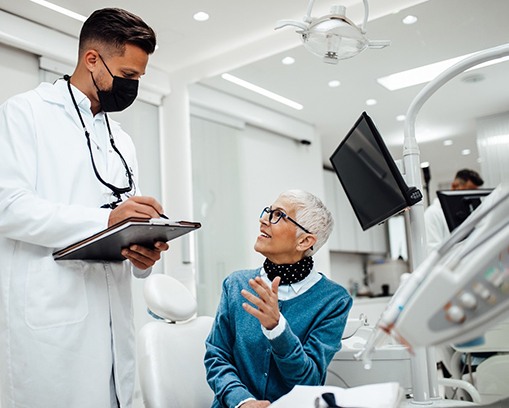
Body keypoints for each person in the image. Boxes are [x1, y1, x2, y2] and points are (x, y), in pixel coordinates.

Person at [0, 8, 169, 408]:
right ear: (91, 59)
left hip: (113, 324)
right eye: (127, 76)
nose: (131, 88)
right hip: (52, 329)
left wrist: (143, 252)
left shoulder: (120, 139)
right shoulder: (26, 113)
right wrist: (105, 220)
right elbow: (8, 207)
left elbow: (127, 216)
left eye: (138, 80)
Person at [205, 190, 352, 408]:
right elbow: (217, 357)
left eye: (278, 215)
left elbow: (309, 381)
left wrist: (277, 328)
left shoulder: (334, 300)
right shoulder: (235, 284)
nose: (263, 219)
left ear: (304, 241)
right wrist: (241, 401)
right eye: (268, 211)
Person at [424, 168, 484, 252]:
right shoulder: (432, 213)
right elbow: (433, 251)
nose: (472, 197)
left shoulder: (469, 213)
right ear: (454, 186)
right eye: (468, 192)